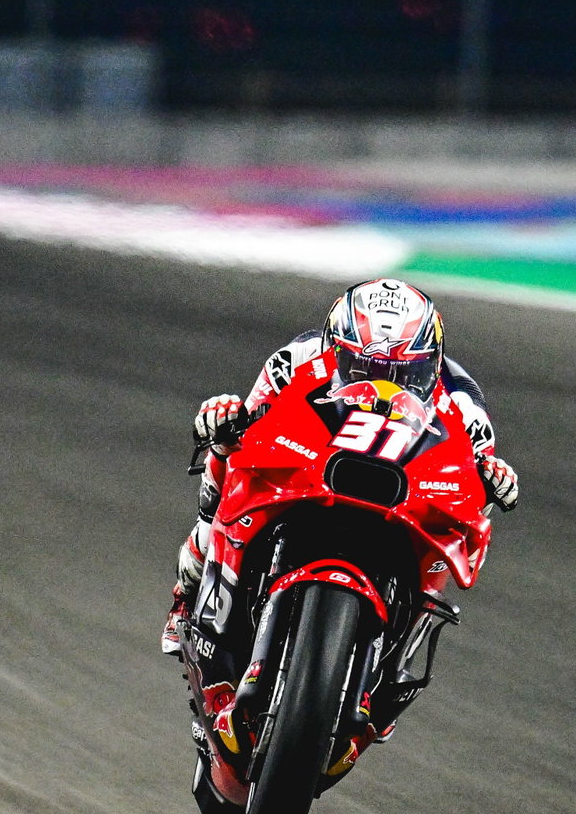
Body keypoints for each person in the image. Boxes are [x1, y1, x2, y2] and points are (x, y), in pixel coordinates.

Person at [162, 277, 518, 655]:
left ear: (429, 363)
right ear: (335, 349)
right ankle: (188, 590)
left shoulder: (464, 402)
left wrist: (494, 480)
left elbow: (472, 485)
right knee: (227, 449)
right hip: (318, 462)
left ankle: (395, 662)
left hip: (404, 488)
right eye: (363, 368)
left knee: (445, 541)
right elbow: (251, 421)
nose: (383, 383)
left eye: (402, 375)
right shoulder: (297, 357)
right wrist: (226, 419)